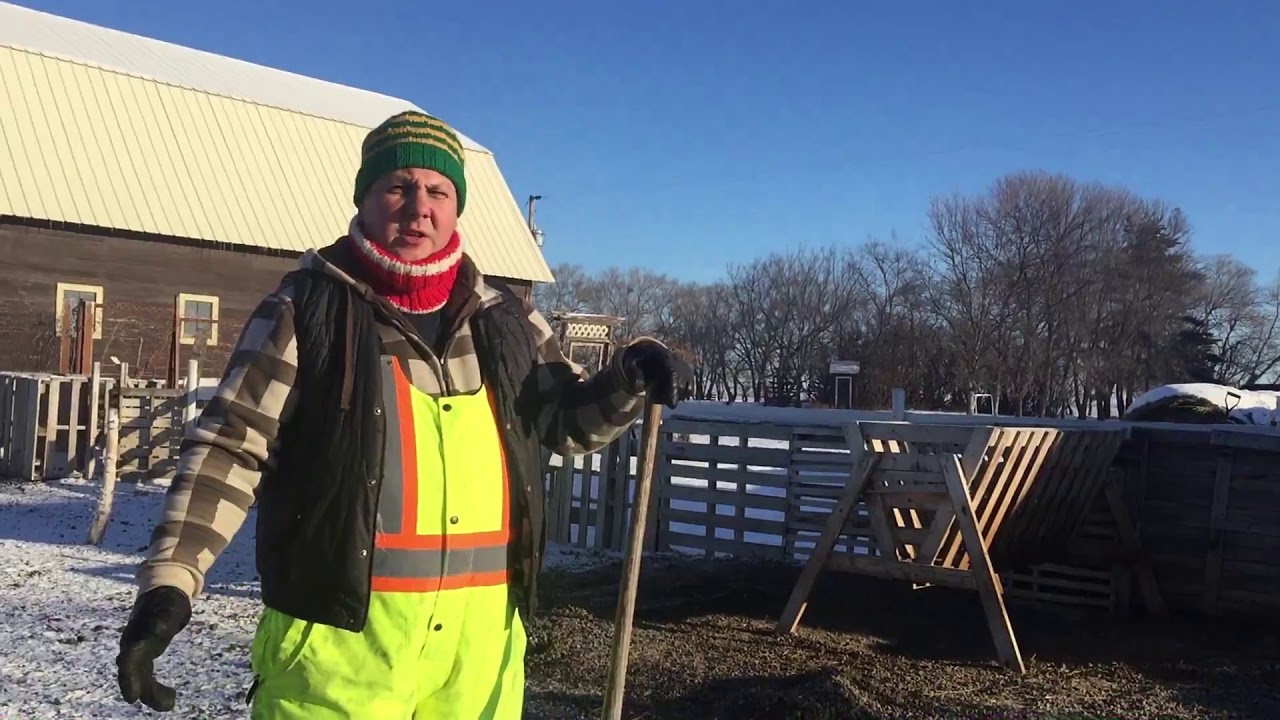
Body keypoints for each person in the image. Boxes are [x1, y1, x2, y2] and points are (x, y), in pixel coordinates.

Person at [114, 110, 692, 719]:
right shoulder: (305, 312)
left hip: (476, 663)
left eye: (438, 190)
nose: (419, 206)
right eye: (398, 185)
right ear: (364, 198)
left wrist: (628, 379)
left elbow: (568, 422)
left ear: (456, 209)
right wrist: (171, 581)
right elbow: (230, 447)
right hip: (338, 660)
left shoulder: (507, 323)